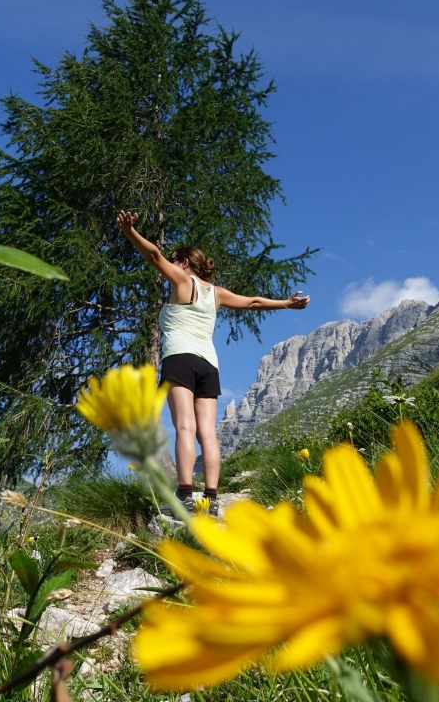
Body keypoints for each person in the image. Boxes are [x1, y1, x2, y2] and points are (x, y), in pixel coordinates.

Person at [115, 211, 310, 515]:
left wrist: (129, 232)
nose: (169, 262)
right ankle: (212, 497)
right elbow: (254, 302)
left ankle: (184, 496)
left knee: (183, 426)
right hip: (209, 364)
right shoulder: (216, 294)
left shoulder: (181, 280)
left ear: (183, 264)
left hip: (179, 358)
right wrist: (287, 303)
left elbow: (153, 255)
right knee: (207, 432)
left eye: (173, 259)